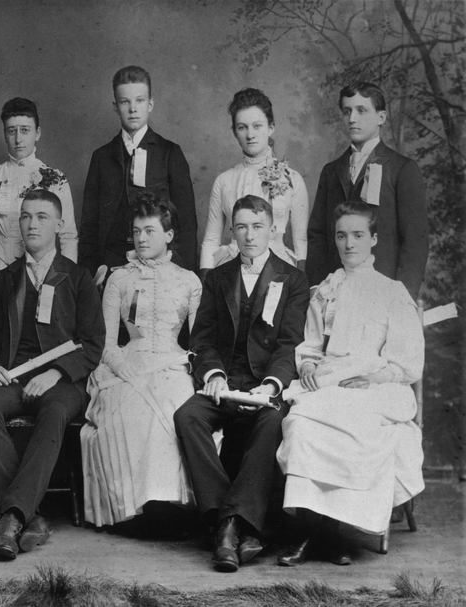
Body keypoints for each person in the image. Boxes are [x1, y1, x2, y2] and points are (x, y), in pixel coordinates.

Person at [276, 201, 425, 566]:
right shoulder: (326, 289)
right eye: (341, 236)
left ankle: (335, 532)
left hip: (374, 384)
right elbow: (310, 344)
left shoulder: (392, 291)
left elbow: (406, 362)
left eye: (358, 235)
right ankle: (313, 530)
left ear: (374, 239)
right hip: (328, 379)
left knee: (354, 425)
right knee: (300, 424)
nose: (349, 243)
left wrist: (374, 378)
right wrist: (307, 365)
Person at [174, 195, 309, 573]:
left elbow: (290, 343)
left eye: (257, 226)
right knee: (187, 416)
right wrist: (214, 375)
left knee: (272, 421)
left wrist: (271, 385)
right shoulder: (217, 278)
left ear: (272, 229)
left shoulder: (293, 279)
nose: (249, 235)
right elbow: (202, 340)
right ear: (232, 232)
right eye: (242, 227)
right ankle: (230, 521)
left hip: (266, 385)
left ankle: (226, 529)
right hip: (226, 382)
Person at [0, 189, 105, 560]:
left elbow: (93, 344)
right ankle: (29, 516)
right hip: (14, 377)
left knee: (55, 410)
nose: (32, 224)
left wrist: (58, 372)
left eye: (42, 217)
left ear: (59, 225)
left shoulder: (78, 278)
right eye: (26, 216)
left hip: (62, 383)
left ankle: (12, 516)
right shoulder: (3, 279)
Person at [81, 193, 201, 527]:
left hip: (173, 362)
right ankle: (137, 507)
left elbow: (200, 341)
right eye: (136, 231)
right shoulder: (119, 278)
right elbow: (105, 342)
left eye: (149, 231)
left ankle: (171, 504)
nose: (141, 238)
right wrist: (124, 368)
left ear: (169, 235)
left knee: (175, 402)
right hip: (126, 360)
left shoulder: (189, 280)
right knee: (131, 404)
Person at [306, 81, 428, 298]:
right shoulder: (331, 171)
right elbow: (318, 235)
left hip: (383, 293)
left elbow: (415, 241)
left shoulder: (402, 169)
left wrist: (402, 296)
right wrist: (316, 288)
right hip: (334, 291)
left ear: (381, 117)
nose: (352, 118)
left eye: (361, 110)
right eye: (347, 111)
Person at [0, 97, 78, 332]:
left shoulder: (55, 179)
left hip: (42, 269)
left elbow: (68, 236)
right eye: (11, 131)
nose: (18, 139)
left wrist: (65, 279)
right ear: (5, 134)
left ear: (38, 133)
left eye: (25, 130)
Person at [80, 65, 197, 275]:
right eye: (125, 102)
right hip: (111, 264)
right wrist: (89, 276)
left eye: (140, 100)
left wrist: (182, 273)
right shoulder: (101, 157)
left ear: (150, 104)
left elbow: (187, 224)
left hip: (161, 265)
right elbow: (89, 226)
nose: (133, 109)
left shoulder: (170, 153)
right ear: (115, 107)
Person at [200, 88, 308, 274]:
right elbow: (211, 239)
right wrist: (205, 280)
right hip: (233, 271)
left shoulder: (293, 179)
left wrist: (301, 282)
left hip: (278, 271)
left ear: (271, 127)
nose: (250, 135)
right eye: (242, 127)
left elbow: (301, 240)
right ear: (235, 132)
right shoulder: (224, 181)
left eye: (257, 126)